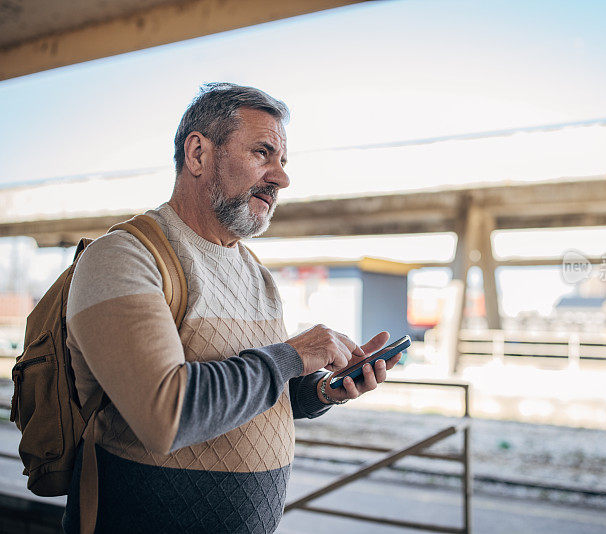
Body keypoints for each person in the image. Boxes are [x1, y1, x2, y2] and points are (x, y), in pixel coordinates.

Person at [62, 83, 401, 533]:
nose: (281, 178)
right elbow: (166, 415)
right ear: (198, 154)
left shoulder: (254, 272)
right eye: (264, 153)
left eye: (282, 162)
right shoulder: (124, 257)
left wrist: (319, 391)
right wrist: (293, 355)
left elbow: (256, 389)